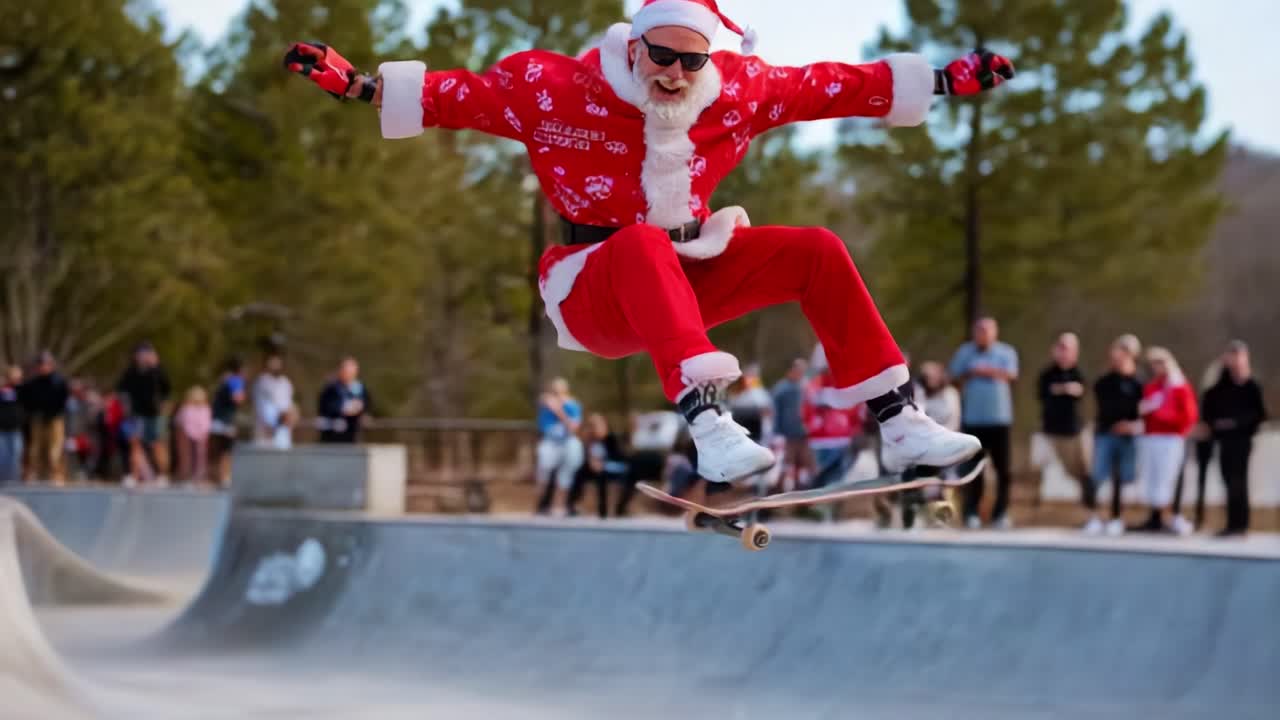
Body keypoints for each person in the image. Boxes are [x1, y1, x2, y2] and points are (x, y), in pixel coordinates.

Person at [283, 0, 1012, 487]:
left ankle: (898, 420)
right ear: (634, 45)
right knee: (638, 243)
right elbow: (460, 96)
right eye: (661, 55)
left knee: (815, 249)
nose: (673, 74)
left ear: (710, 63)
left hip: (688, 277)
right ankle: (706, 421)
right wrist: (358, 86)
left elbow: (830, 86)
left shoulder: (738, 92)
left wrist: (941, 81)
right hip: (594, 286)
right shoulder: (556, 88)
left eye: (690, 63)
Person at [948, 317, 1020, 529]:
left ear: (995, 333)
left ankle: (1001, 513)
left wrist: (983, 371)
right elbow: (953, 375)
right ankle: (971, 512)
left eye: (987, 331)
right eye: (980, 330)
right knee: (973, 470)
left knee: (1003, 470)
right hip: (973, 421)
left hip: (1000, 420)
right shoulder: (965, 352)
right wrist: (973, 372)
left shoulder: (1006, 352)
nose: (983, 334)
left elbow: (1011, 374)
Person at [1199, 340, 1267, 536]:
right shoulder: (1220, 386)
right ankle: (1231, 523)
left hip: (1242, 440)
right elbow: (1209, 404)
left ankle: (1241, 524)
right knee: (1227, 480)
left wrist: (1237, 423)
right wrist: (1216, 425)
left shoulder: (1252, 386)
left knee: (1240, 481)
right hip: (1224, 441)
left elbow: (1259, 415)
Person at [1084, 335, 1144, 536]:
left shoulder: (1139, 383)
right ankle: (1093, 517)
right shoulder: (1104, 382)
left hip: (1128, 437)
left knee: (1122, 478)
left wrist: (1131, 425)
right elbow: (1107, 407)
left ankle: (1116, 518)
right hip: (1105, 434)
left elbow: (1141, 410)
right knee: (1098, 476)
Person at [1134, 347, 1198, 535]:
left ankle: (1171, 516)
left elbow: (1188, 414)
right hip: (1152, 436)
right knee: (1153, 478)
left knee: (1167, 477)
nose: (1157, 368)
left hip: (1170, 438)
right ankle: (1155, 517)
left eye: (1160, 363)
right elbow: (1143, 411)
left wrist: (1166, 419)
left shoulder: (1179, 387)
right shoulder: (1152, 387)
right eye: (1154, 364)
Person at [1037, 333, 1089, 492]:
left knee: (1082, 471)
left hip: (1074, 431)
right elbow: (1042, 395)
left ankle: (1090, 510)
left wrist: (1064, 389)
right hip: (1050, 431)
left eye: (1067, 348)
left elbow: (1083, 394)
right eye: (1061, 347)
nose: (1063, 352)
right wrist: (1064, 389)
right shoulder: (1047, 374)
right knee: (1040, 471)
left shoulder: (1079, 373)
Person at [115, 342, 172, 485]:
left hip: (154, 414)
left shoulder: (157, 372)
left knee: (157, 444)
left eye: (147, 353)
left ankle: (162, 474)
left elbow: (167, 390)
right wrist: (126, 407)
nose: (143, 357)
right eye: (140, 354)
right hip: (136, 414)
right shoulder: (131, 372)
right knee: (135, 444)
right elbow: (121, 390)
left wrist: (156, 366)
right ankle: (133, 475)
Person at [533, 378, 584, 515]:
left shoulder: (573, 405)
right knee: (543, 471)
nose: (557, 395)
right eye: (554, 391)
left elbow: (573, 428)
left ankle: (559, 505)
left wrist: (559, 411)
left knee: (566, 473)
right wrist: (548, 402)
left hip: (567, 441)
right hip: (550, 441)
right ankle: (540, 505)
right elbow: (542, 399)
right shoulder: (546, 403)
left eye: (559, 392)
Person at [18, 350, 69, 484]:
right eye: (41, 364)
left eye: (46, 364)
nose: (43, 367)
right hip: (38, 419)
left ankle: (57, 476)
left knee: (55, 450)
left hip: (55, 419)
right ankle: (36, 474)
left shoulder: (59, 382)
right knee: (35, 449)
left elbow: (63, 400)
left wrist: (55, 412)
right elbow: (24, 399)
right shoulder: (32, 384)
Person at [772, 358, 813, 491]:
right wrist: (777, 432)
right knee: (786, 463)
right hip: (788, 434)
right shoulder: (782, 389)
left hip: (803, 433)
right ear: (791, 371)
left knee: (804, 462)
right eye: (797, 370)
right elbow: (776, 411)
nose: (799, 373)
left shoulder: (805, 387)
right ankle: (777, 490)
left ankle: (801, 488)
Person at [209, 357, 247, 486]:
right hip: (226, 422)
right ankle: (224, 477)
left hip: (216, 420)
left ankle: (216, 477)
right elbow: (237, 398)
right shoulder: (236, 380)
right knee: (226, 451)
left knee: (216, 451)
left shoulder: (225, 380)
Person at [317, 356, 373, 443]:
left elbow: (367, 404)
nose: (348, 374)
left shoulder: (360, 388)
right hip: (332, 434)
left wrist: (362, 411)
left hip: (352, 434)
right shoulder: (331, 388)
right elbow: (324, 407)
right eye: (346, 371)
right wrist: (344, 408)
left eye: (351, 372)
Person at [253, 351, 296, 449]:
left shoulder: (286, 383)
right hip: (265, 435)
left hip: (283, 436)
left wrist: (291, 416)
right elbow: (264, 409)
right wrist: (280, 418)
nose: (276, 365)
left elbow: (289, 406)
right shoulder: (262, 382)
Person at [175, 386, 212, 484]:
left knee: (199, 456)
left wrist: (202, 434)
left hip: (199, 436)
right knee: (189, 456)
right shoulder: (186, 408)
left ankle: (197, 476)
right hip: (188, 436)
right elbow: (181, 423)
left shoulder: (204, 408)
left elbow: (206, 423)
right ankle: (187, 476)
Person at [0, 365, 24, 485]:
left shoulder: (21, 389)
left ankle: (14, 481)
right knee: (3, 456)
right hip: (2, 430)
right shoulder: (2, 389)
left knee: (15, 455)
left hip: (15, 429)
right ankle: (3, 481)